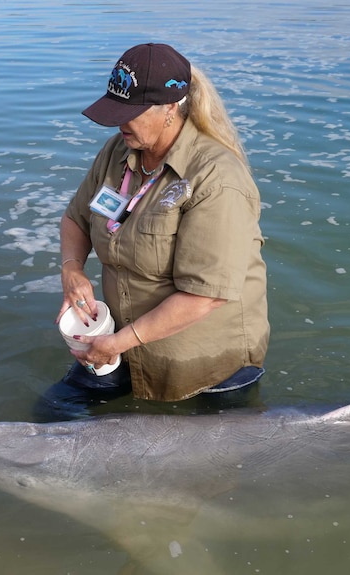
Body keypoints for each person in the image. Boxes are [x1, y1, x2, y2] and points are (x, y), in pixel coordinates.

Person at [47, 43, 269, 416]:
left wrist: (119, 343)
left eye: (129, 113)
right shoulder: (118, 152)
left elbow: (206, 295)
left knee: (212, 463)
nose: (119, 123)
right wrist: (72, 269)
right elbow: (76, 218)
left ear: (171, 107)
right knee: (54, 412)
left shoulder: (217, 179)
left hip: (206, 360)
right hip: (120, 342)